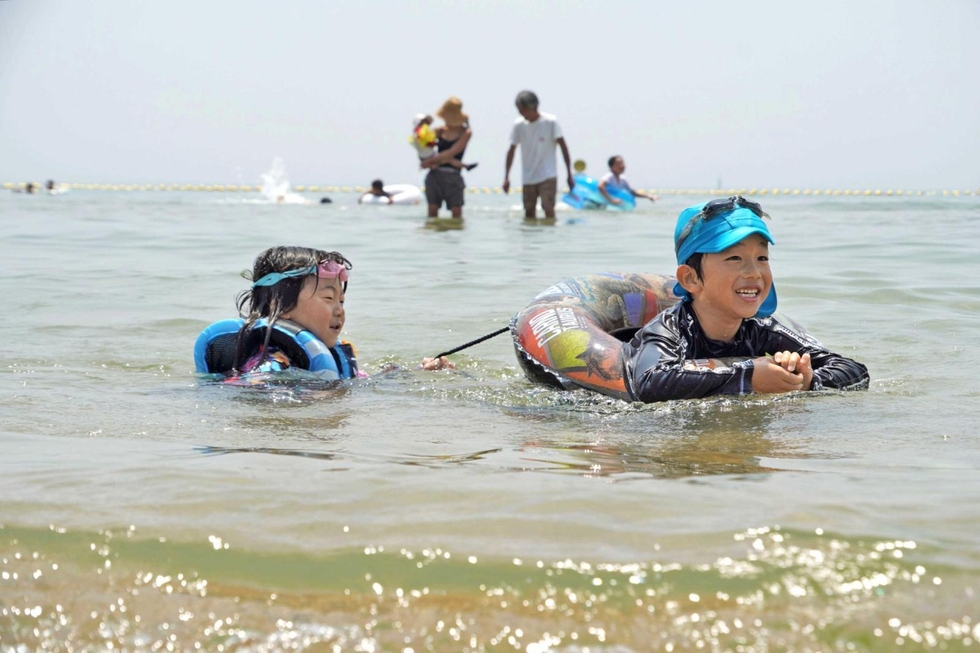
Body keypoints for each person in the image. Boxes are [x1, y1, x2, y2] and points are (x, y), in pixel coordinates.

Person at [622, 196, 869, 403]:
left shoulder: (761, 331)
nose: (754, 272)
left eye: (762, 258)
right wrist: (748, 378)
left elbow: (853, 369)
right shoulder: (670, 330)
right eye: (734, 259)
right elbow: (649, 382)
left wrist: (807, 380)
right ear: (691, 279)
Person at [193, 246, 452, 379]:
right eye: (328, 298)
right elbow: (250, 388)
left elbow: (362, 384)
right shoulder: (270, 361)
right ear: (278, 305)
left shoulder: (325, 356)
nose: (339, 310)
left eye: (342, 300)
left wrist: (417, 373)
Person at [502, 90, 574, 219]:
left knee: (548, 208)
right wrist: (506, 176)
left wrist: (569, 174)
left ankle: (549, 238)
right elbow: (511, 151)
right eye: (519, 109)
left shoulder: (550, 122)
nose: (520, 112)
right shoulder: (519, 125)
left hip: (548, 175)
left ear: (532, 107)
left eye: (522, 109)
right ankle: (531, 239)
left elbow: (563, 147)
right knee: (529, 212)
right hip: (528, 176)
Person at [421, 97, 474, 219]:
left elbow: (452, 152)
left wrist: (431, 161)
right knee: (432, 215)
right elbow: (424, 146)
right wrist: (427, 161)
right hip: (435, 175)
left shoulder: (465, 132)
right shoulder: (439, 130)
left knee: (456, 214)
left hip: (453, 176)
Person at [410, 113, 477, 172]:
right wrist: (436, 143)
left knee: (445, 161)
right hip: (428, 155)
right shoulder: (420, 133)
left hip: (426, 154)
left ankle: (466, 166)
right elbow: (426, 143)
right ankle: (466, 166)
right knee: (447, 160)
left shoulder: (418, 133)